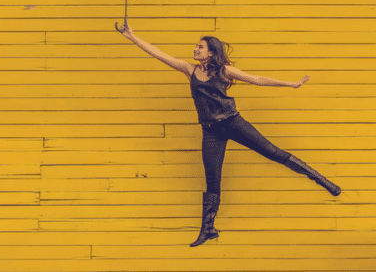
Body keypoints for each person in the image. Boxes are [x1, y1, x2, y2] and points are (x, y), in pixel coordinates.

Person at [115, 22, 341, 247]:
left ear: (211, 52)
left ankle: (322, 180)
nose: (195, 49)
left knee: (273, 153)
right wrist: (131, 36)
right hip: (211, 132)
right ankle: (208, 229)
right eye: (196, 46)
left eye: (200, 47)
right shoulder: (189, 69)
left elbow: (257, 79)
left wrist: (292, 84)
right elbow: (159, 54)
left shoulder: (224, 71)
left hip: (233, 123)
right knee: (212, 180)